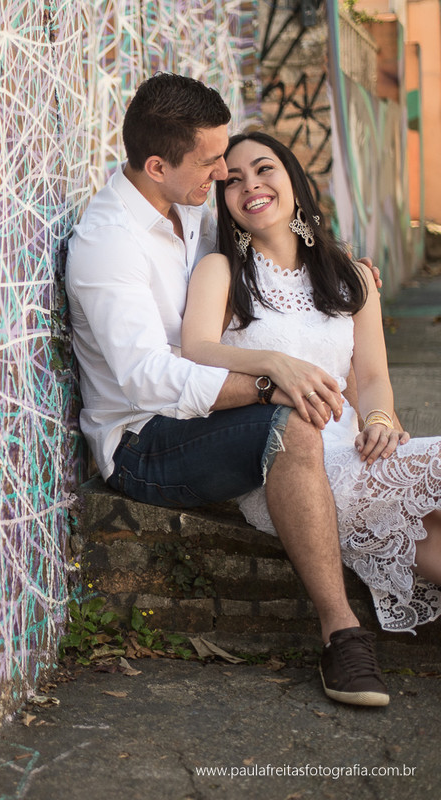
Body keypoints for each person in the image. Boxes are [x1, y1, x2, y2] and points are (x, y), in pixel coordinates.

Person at [66, 73, 390, 707]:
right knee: (292, 424)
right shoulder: (109, 245)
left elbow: (268, 243)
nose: (223, 174)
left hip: (195, 419)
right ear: (157, 165)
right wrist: (268, 381)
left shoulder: (181, 206)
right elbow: (147, 378)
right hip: (144, 441)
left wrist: (343, 270)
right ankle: (341, 634)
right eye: (213, 160)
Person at [181, 130, 441, 639]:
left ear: (294, 181)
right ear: (225, 201)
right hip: (284, 463)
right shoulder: (221, 271)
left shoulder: (352, 276)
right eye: (232, 181)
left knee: (430, 535)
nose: (250, 185)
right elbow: (197, 350)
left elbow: (370, 378)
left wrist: (382, 422)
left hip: (357, 449)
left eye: (263, 169)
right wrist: (274, 363)